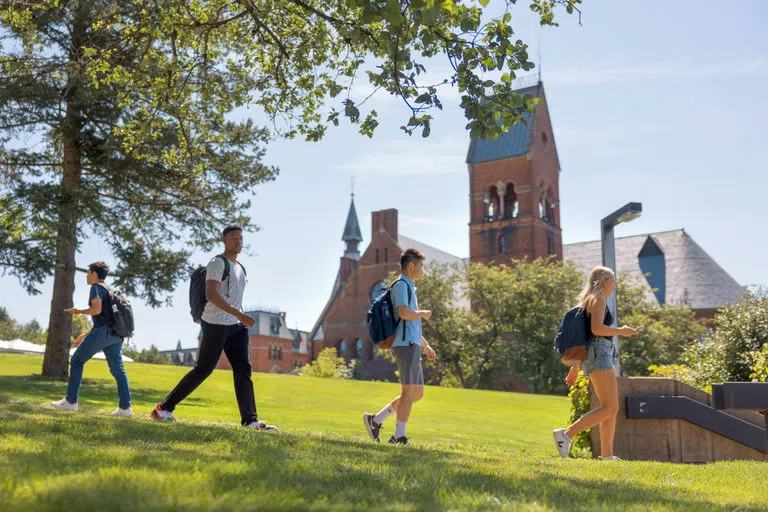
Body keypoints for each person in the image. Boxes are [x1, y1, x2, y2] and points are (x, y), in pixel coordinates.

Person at [150, 225, 278, 431]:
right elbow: (211, 294)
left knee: (243, 370)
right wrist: (238, 314)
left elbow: (234, 297)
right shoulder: (217, 263)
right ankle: (163, 409)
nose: (238, 241)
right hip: (215, 323)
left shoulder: (240, 267)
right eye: (234, 238)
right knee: (203, 369)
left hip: (236, 327)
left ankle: (251, 421)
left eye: (240, 238)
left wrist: (239, 316)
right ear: (225, 241)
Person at [553, 266, 639, 460]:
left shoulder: (589, 300)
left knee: (610, 408)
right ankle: (565, 435)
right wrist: (621, 330)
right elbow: (597, 330)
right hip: (599, 354)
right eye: (613, 281)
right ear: (603, 281)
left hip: (594, 355)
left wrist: (575, 367)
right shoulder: (598, 299)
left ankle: (607, 455)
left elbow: (584, 335)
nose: (614, 286)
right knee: (610, 408)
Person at [363, 248, 436, 445]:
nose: (422, 270)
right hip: (404, 346)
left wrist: (426, 346)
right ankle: (398, 436)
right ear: (411, 265)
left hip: (412, 344)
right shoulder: (401, 286)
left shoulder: (410, 287)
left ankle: (375, 420)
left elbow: (410, 325)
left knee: (416, 393)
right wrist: (422, 313)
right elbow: (404, 313)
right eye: (420, 265)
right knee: (408, 391)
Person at [51, 262, 132, 416]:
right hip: (115, 335)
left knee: (76, 361)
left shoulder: (96, 288)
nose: (87, 276)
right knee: (118, 370)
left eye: (88, 273)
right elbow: (105, 318)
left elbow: (97, 310)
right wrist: (85, 334)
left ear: (94, 274)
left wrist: (78, 311)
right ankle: (125, 408)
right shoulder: (108, 290)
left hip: (103, 333)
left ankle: (70, 401)